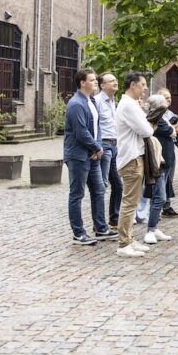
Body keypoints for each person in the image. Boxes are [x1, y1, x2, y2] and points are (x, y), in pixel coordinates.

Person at [63, 68, 117, 246]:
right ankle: (78, 234)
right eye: (92, 80)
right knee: (77, 194)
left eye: (95, 80)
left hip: (93, 154)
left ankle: (101, 228)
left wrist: (98, 146)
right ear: (82, 83)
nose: (95, 82)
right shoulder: (76, 104)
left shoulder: (91, 100)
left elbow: (97, 126)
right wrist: (96, 147)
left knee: (99, 190)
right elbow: (81, 132)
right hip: (78, 156)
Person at [114, 71, 155, 257]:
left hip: (134, 156)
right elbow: (146, 130)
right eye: (143, 84)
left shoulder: (131, 104)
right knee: (129, 202)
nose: (145, 88)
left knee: (132, 200)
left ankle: (129, 239)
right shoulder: (128, 106)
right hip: (131, 158)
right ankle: (123, 244)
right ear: (133, 85)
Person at [142, 94, 174, 245]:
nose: (167, 103)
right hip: (158, 164)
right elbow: (171, 132)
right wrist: (172, 129)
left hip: (166, 162)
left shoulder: (163, 119)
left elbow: (174, 132)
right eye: (164, 101)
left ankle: (154, 228)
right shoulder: (157, 120)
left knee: (161, 196)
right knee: (159, 197)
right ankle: (150, 230)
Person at [96, 72, 124, 229]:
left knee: (118, 185)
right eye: (111, 80)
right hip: (104, 146)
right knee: (102, 185)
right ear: (102, 85)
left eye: (116, 79)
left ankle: (114, 218)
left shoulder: (114, 101)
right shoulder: (98, 101)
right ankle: (99, 224)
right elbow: (94, 124)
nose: (115, 82)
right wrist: (97, 145)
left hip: (114, 146)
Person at [158, 87, 178, 218]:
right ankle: (159, 204)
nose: (169, 99)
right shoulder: (157, 113)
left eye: (170, 97)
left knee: (169, 178)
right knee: (161, 178)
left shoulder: (171, 113)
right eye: (166, 97)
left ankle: (167, 205)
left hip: (171, 148)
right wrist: (171, 129)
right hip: (160, 150)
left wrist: (173, 128)